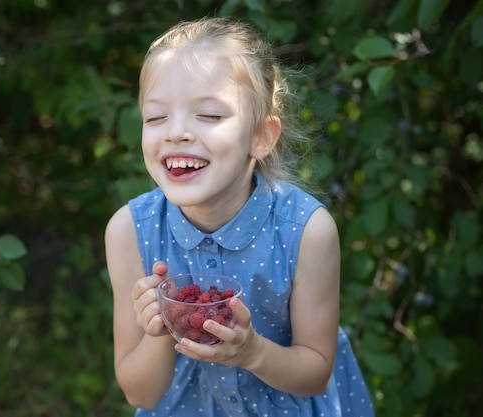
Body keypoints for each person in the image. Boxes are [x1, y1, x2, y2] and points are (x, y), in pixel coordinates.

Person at [105, 16, 375, 417]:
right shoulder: (130, 231)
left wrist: (253, 352)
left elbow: (316, 373)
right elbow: (140, 395)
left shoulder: (305, 231)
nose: (176, 133)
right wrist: (161, 329)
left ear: (261, 137)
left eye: (210, 116)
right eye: (156, 117)